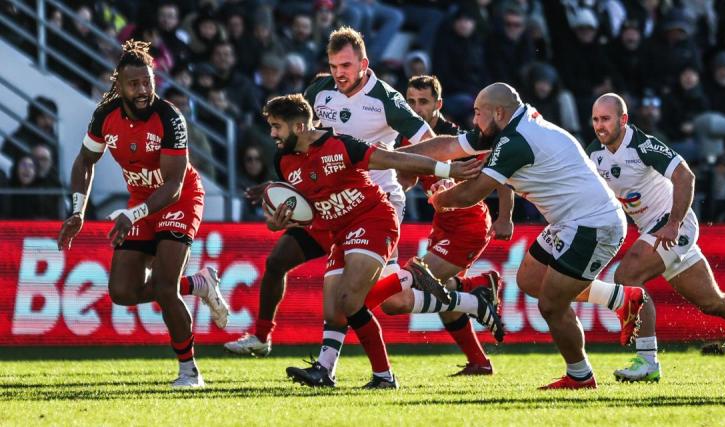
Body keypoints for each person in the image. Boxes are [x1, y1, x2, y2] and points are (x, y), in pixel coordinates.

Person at [404, 83, 646, 390]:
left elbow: (473, 193)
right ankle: (621, 298)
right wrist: (391, 157)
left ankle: (580, 376)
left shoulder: (515, 140)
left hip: (592, 225)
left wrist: (441, 199)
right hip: (571, 222)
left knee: (551, 306)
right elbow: (448, 146)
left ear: (498, 112)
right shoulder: (511, 126)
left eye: (478, 113)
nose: (474, 119)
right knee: (530, 280)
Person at [224, 27, 434, 356]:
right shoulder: (320, 91)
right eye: (334, 66)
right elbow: (296, 137)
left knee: (386, 300)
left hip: (373, 205)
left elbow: (427, 140)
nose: (339, 73)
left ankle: (423, 285)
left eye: (346, 66)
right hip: (327, 204)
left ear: (364, 64)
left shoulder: (387, 100)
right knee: (279, 261)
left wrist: (439, 177)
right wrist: (281, 183)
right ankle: (264, 339)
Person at [262, 94, 481, 388]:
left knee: (351, 300)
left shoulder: (341, 145)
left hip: (374, 220)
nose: (272, 134)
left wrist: (448, 169)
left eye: (277, 127)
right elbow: (308, 204)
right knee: (334, 311)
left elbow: (394, 159)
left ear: (300, 127)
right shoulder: (284, 161)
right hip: (339, 232)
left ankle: (384, 376)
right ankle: (325, 371)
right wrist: (280, 222)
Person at [587, 93, 725, 382]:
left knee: (628, 275)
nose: (600, 125)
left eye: (606, 119)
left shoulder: (642, 145)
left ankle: (647, 361)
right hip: (655, 231)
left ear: (623, 120)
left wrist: (673, 223)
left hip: (675, 225)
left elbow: (685, 177)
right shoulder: (593, 153)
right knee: (713, 302)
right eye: (596, 119)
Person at [55, 40, 230, 388]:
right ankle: (199, 284)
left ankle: (189, 372)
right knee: (121, 291)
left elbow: (175, 186)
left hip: (178, 200)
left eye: (147, 81)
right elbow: (85, 161)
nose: (143, 90)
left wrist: (132, 216)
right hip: (141, 202)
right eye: (134, 84)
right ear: (118, 85)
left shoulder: (169, 118)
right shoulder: (105, 116)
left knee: (165, 288)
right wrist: (78, 210)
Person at [380, 75, 512, 375]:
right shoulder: (407, 139)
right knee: (443, 298)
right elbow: (407, 179)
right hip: (443, 225)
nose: (415, 109)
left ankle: (476, 287)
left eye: (423, 102)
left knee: (403, 291)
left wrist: (506, 216)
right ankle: (479, 362)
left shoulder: (456, 137)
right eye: (410, 102)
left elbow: (502, 166)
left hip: (468, 224)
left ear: (438, 105)